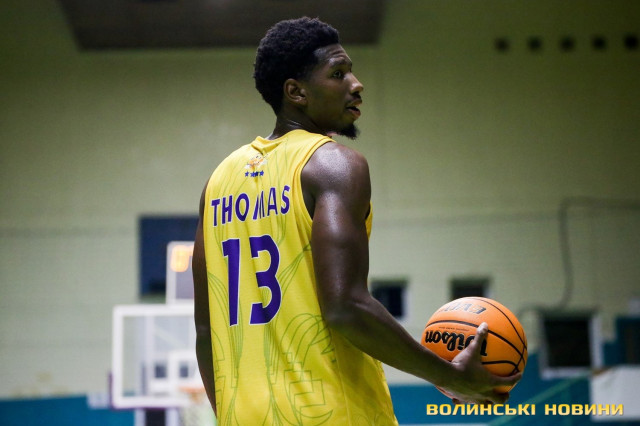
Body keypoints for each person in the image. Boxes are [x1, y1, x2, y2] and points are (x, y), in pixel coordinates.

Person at [192, 17, 521, 425]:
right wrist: (451, 377)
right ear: (296, 92)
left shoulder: (218, 182)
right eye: (338, 74)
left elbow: (206, 332)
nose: (357, 84)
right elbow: (346, 307)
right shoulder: (332, 164)